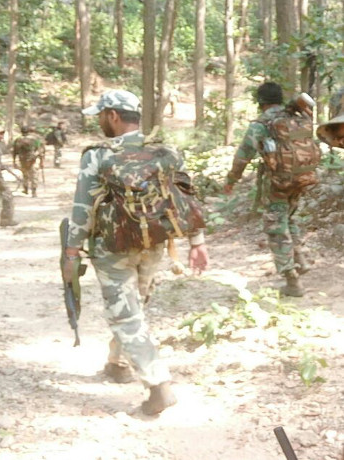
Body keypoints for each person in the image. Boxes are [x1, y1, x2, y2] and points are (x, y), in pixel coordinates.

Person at [62, 89, 209, 415]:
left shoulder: (97, 156)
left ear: (113, 116)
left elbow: (82, 206)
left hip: (112, 248)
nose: (100, 122)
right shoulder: (166, 151)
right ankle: (117, 363)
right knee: (132, 307)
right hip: (153, 242)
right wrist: (197, 242)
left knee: (125, 313)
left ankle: (158, 386)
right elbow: (186, 197)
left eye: (101, 116)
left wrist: (72, 250)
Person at [223, 81, 310, 297]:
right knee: (288, 218)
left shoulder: (261, 125)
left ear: (260, 102)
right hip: (302, 178)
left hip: (278, 183)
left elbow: (243, 156)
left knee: (275, 226)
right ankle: (300, 258)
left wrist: (231, 180)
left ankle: (292, 280)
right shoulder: (296, 118)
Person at [12, 125, 45, 197]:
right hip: (32, 159)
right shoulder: (35, 139)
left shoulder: (17, 140)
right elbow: (39, 150)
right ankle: (34, 191)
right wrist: (41, 161)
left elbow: (14, 151)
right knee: (34, 175)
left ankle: (26, 189)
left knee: (25, 174)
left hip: (22, 159)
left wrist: (14, 161)